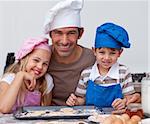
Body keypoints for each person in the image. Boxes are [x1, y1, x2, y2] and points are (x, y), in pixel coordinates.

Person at [66, 22, 140, 110]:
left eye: (112, 53)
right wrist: (75, 101)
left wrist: (123, 102)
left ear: (120, 53)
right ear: (94, 51)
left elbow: (129, 98)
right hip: (90, 117)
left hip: (115, 117)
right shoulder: (86, 74)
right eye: (102, 52)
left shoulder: (123, 72)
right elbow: (82, 99)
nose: (106, 58)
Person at [43, 0, 95, 105]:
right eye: (58, 33)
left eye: (71, 33)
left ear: (80, 34)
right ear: (50, 34)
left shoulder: (93, 59)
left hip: (82, 116)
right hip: (46, 115)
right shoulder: (42, 57)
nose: (64, 41)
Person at [0, 37, 54, 113]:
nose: (40, 66)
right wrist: (20, 76)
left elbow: (45, 111)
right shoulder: (9, 79)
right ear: (23, 58)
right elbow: (3, 109)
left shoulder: (46, 81)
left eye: (45, 64)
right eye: (36, 60)